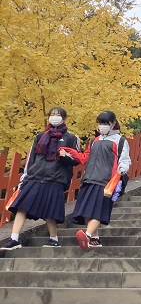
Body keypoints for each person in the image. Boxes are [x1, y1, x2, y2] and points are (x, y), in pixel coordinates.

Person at [1, 107, 81, 250]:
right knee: (21, 206)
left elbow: (77, 159)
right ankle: (14, 239)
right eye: (52, 114)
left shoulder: (71, 138)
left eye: (57, 115)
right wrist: (24, 179)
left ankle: (54, 239)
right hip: (35, 176)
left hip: (55, 178)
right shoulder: (40, 136)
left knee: (51, 211)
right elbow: (31, 159)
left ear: (64, 118)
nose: (54, 117)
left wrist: (66, 157)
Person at [60, 110, 131, 250]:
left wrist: (121, 172)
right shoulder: (94, 141)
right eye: (100, 123)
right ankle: (94, 238)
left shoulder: (120, 141)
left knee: (97, 210)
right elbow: (84, 158)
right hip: (89, 179)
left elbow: (125, 160)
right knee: (87, 210)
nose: (102, 126)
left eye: (105, 123)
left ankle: (87, 235)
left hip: (106, 182)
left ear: (113, 124)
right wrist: (69, 153)